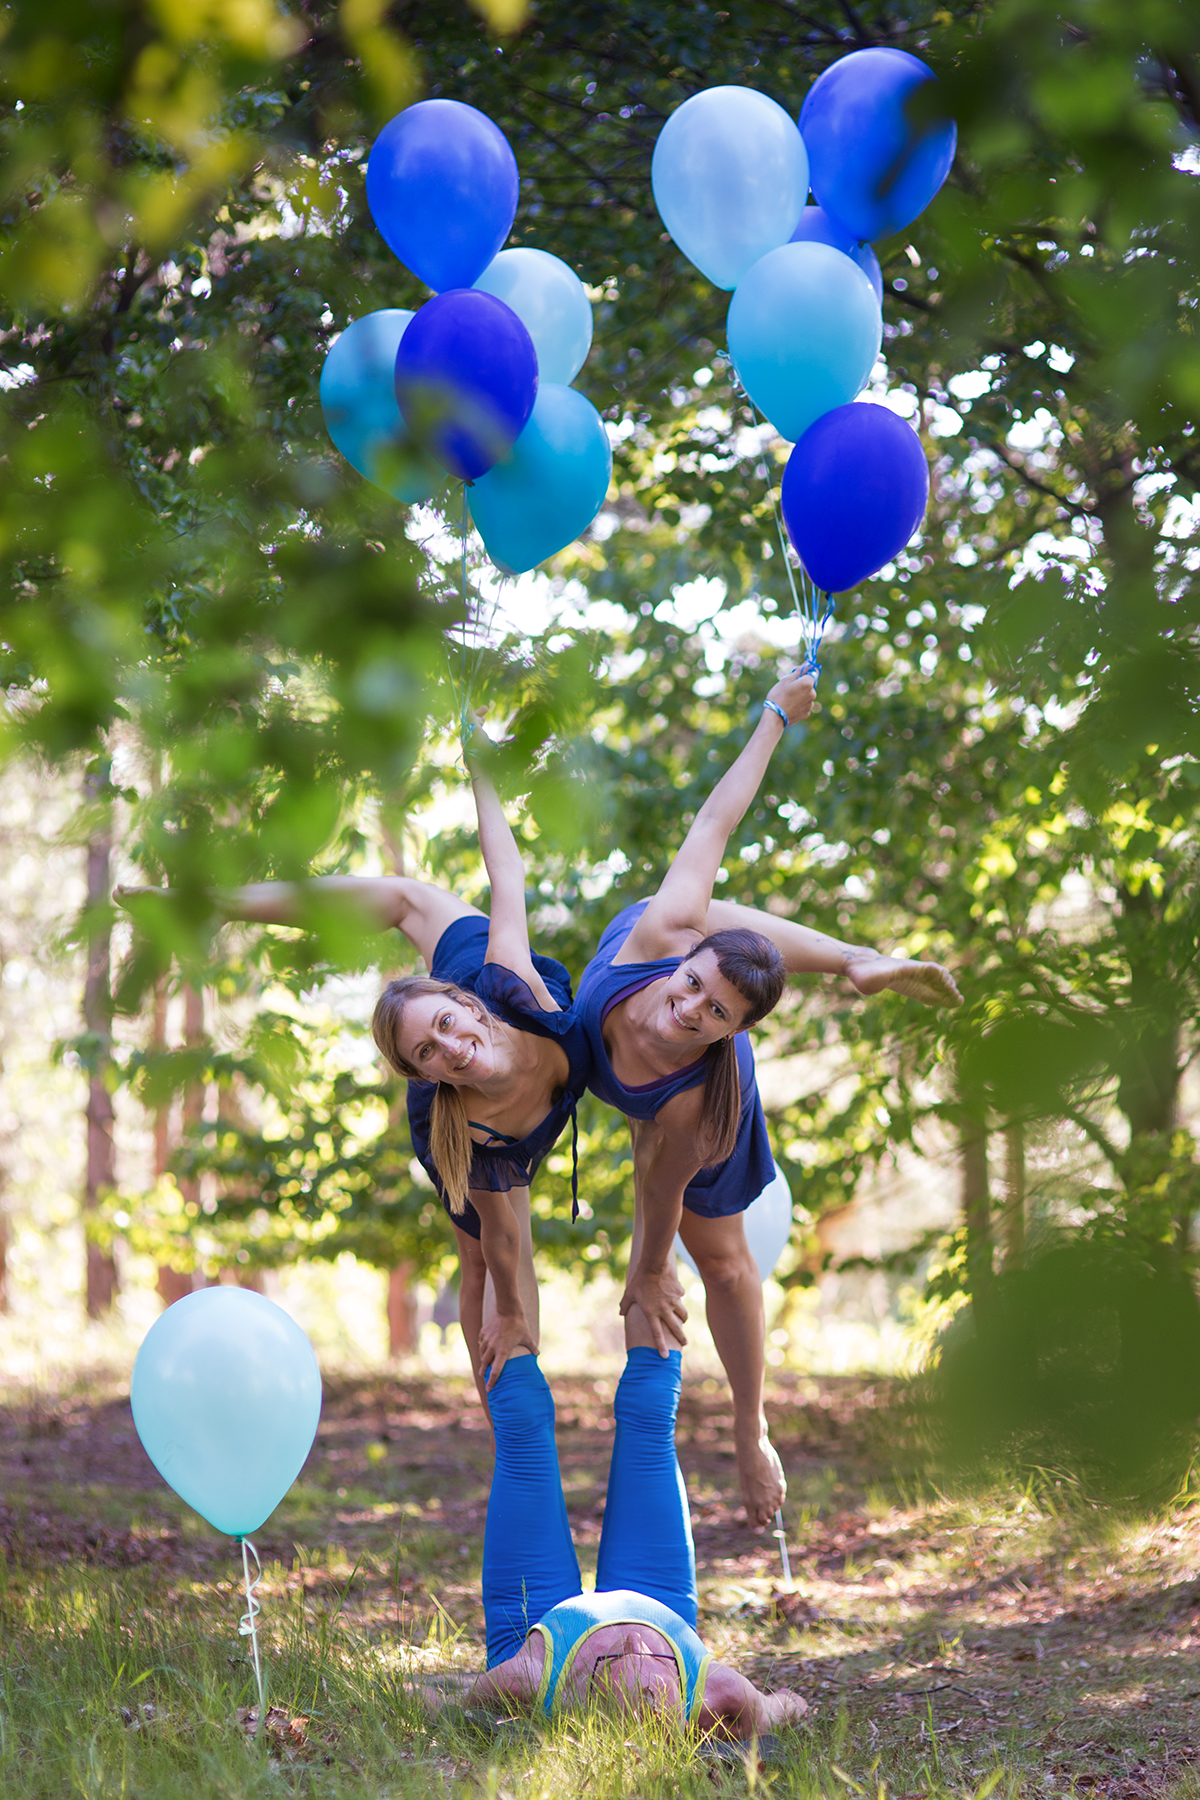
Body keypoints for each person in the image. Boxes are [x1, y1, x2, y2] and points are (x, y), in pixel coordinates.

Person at [573, 665, 962, 1527]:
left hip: (689, 1110)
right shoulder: (667, 938)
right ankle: (857, 959)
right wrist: (773, 717)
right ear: (680, 968)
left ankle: (754, 1430)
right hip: (669, 931)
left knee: (721, 1264)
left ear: (732, 1031)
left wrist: (644, 1273)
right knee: (698, 901)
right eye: (693, 990)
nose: (689, 1012)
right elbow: (717, 817)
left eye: (715, 1014)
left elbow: (657, 1190)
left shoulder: (701, 1093)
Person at [115, 751, 591, 1408]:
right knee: (492, 1253)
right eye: (428, 1050)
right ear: (420, 1072)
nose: (451, 1046)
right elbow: (509, 1245)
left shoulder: (507, 981)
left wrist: (482, 768)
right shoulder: (457, 1119)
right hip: (479, 1123)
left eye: (449, 1025)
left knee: (406, 896)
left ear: (469, 1004)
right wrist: (513, 1320)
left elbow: (504, 869)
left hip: (495, 1002)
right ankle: (509, 1429)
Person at [423, 1300, 807, 1736]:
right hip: (661, 1609)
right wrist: (782, 1709)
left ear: (591, 1695)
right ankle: (651, 1263)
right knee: (652, 1403)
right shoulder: (717, 1692)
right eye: (650, 1669)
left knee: (520, 1420)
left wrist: (437, 1700)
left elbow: (446, 1707)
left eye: (619, 1664)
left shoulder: (528, 1679)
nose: (633, 1644)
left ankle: (513, 1255)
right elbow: (783, 1706)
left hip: (542, 1634)